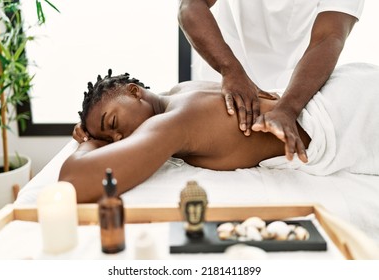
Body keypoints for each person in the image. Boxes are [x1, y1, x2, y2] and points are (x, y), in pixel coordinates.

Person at [60, 63, 379, 203]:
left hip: (351, 113)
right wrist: (100, 137)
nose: (118, 139)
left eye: (113, 124)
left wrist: (89, 144)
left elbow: (74, 181)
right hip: (348, 87)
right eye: (109, 139)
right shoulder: (182, 91)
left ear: (134, 92)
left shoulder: (175, 121)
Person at [178, 0, 364, 161]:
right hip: (226, 81)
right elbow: (190, 6)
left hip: (298, 89)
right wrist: (230, 69)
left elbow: (329, 37)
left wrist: (287, 109)